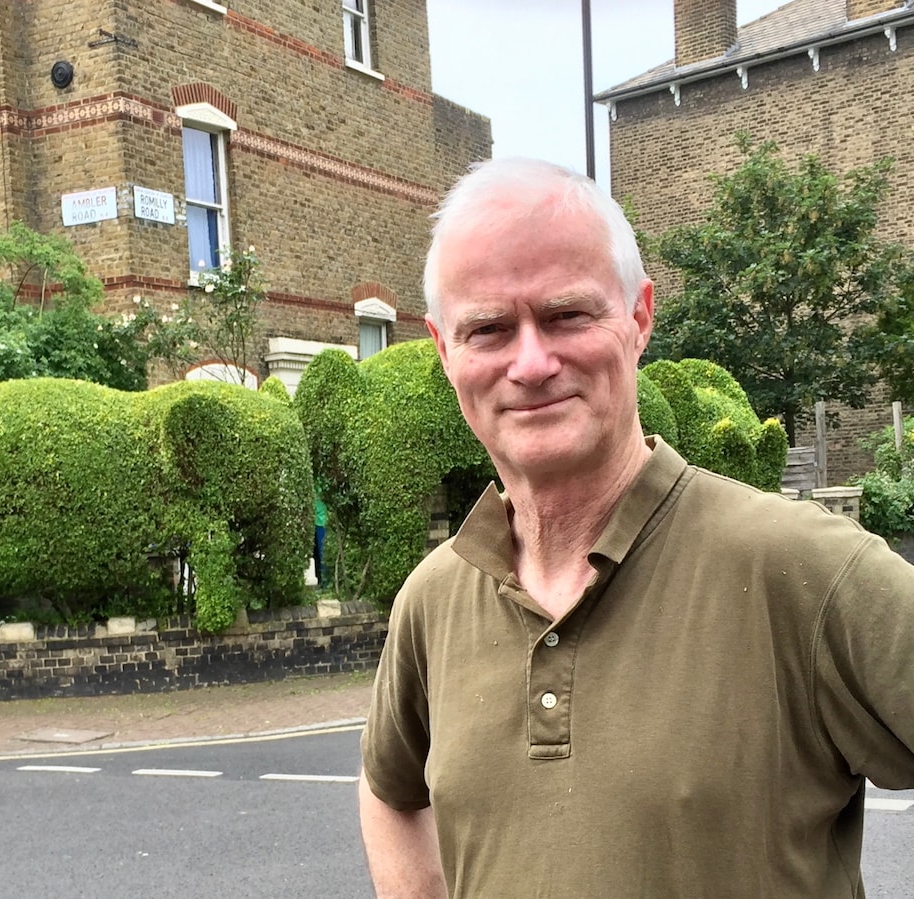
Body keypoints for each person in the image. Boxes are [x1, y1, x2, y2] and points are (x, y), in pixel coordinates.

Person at [357, 156, 914, 898]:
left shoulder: (804, 570)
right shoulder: (434, 598)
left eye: (566, 315)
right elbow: (388, 788)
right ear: (444, 350)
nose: (530, 361)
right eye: (488, 328)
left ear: (640, 317)